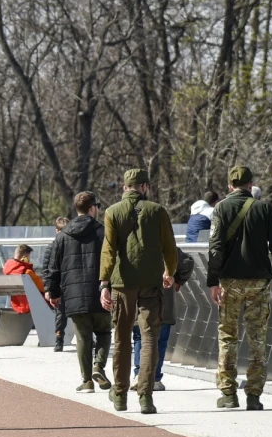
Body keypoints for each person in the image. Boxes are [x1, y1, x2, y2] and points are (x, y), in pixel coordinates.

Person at [208, 165, 272, 411]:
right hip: (259, 282)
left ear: (230, 185)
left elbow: (215, 247)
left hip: (230, 281)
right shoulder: (263, 208)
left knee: (228, 337)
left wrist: (212, 281)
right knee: (257, 337)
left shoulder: (221, 208)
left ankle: (228, 394)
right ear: (251, 184)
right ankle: (253, 395)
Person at [100, 168, 177, 415]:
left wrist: (104, 284)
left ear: (125, 187)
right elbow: (169, 248)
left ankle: (120, 394)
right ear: (145, 186)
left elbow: (109, 251)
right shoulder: (157, 211)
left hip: (122, 283)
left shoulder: (112, 212)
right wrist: (169, 272)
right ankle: (146, 396)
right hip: (151, 282)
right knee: (149, 338)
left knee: (122, 337)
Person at [46, 192, 111, 393]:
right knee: (103, 332)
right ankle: (98, 366)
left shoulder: (63, 236)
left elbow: (53, 267)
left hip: (73, 294)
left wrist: (52, 291)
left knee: (82, 337)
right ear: (92, 208)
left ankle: (86, 381)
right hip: (100, 292)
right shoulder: (104, 232)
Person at [134, 245, 194, 391]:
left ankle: (138, 374)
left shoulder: (134, 244)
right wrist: (178, 280)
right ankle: (154, 378)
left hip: (139, 301)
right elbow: (188, 262)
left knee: (140, 339)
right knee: (160, 341)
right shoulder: (167, 247)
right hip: (164, 301)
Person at [41, 217, 69, 350]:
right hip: (59, 286)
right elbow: (46, 270)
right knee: (60, 314)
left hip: (70, 284)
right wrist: (48, 289)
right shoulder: (51, 247)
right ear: (56, 231)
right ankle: (59, 338)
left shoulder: (71, 246)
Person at [2, 244, 45, 314]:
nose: (29, 260)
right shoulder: (27, 272)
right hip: (31, 304)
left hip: (17, 305)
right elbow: (43, 288)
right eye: (29, 257)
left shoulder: (7, 272)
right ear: (24, 258)